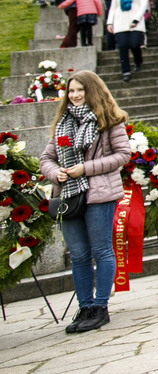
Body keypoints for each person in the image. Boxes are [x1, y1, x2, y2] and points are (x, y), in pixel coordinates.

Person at [38, 72, 130, 333]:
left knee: (101, 251)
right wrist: (55, 172)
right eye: (71, 91)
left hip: (99, 193)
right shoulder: (62, 123)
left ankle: (100, 307)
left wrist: (85, 168)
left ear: (93, 91)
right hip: (68, 196)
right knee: (78, 254)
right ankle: (85, 306)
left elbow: (123, 154)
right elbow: (46, 159)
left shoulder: (110, 120)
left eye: (80, 90)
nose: (75, 95)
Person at [106, 0, 149, 80]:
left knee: (134, 44)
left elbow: (143, 5)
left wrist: (136, 19)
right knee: (123, 46)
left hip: (135, 22)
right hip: (121, 21)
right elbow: (113, 7)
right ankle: (125, 71)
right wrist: (109, 22)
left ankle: (138, 61)